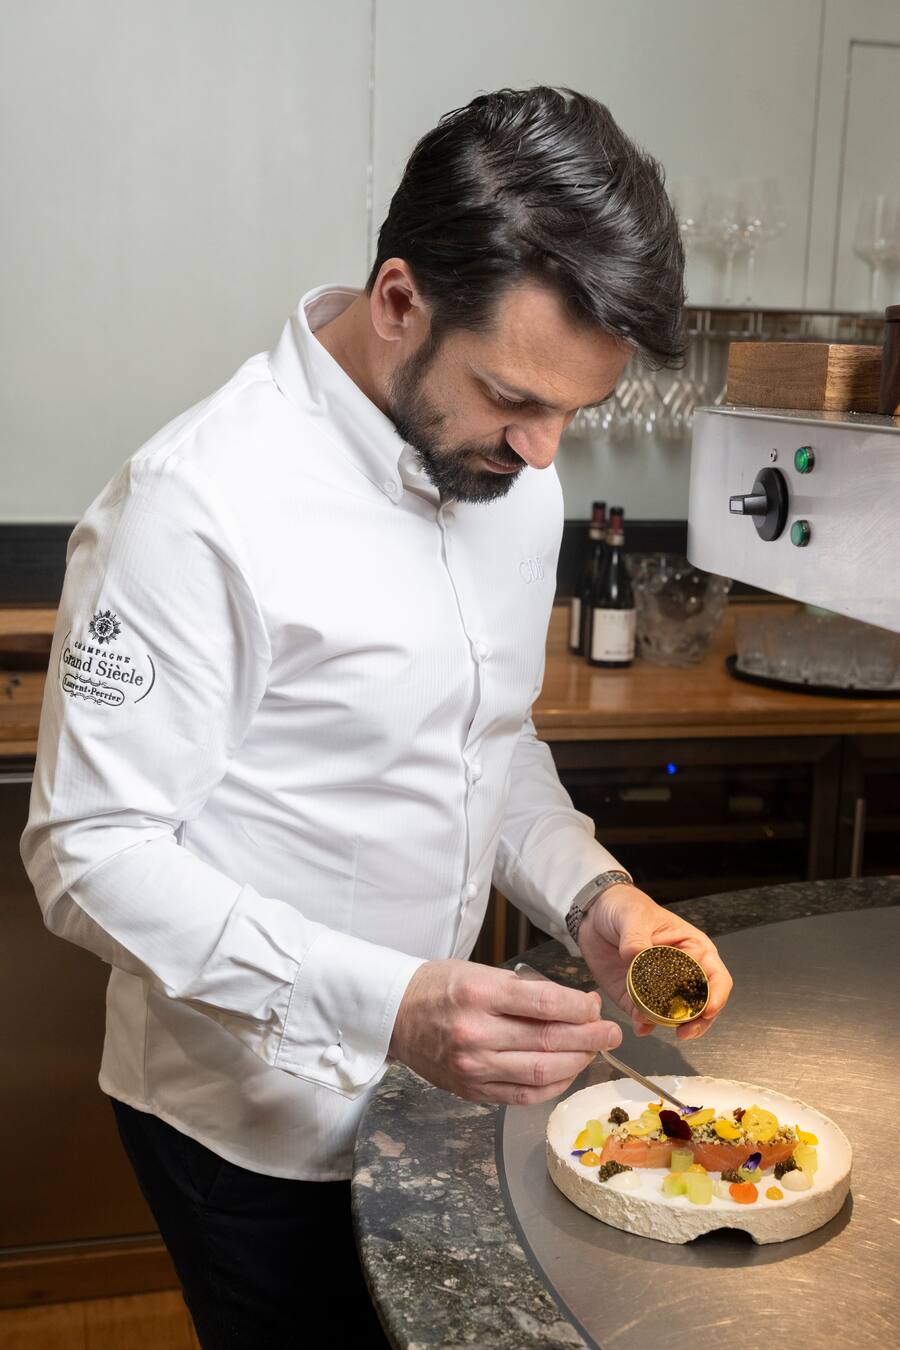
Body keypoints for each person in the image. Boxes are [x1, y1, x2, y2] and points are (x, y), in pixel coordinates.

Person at [22, 86, 733, 1348]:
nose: (543, 452)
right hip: (249, 1120)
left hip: (433, 1096)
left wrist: (595, 897)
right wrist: (390, 1006)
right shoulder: (195, 503)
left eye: (577, 412)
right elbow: (87, 857)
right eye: (516, 396)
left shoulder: (514, 471)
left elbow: (487, 737)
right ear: (400, 299)